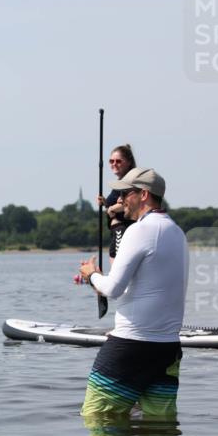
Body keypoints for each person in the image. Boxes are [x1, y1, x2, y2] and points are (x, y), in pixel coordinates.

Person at [78, 167, 186, 417]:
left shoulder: (138, 230)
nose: (120, 199)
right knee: (161, 426)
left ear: (144, 194)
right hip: (168, 349)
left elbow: (113, 289)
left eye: (126, 193)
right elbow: (144, 286)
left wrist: (91, 274)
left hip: (131, 347)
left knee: (96, 419)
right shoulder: (177, 233)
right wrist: (99, 279)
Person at [95, 144, 137, 262]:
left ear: (129, 162)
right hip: (116, 231)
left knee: (116, 266)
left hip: (123, 230)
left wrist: (112, 208)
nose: (114, 164)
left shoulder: (130, 182)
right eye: (111, 161)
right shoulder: (120, 183)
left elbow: (130, 203)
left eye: (118, 161)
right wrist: (106, 203)